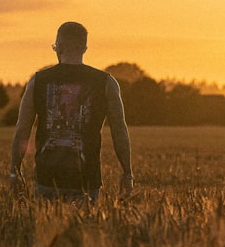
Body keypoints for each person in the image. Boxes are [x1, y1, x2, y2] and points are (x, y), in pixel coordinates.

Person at [10, 21, 133, 202]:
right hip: (86, 179)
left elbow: (22, 130)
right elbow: (119, 131)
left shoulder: (38, 81)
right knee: (85, 229)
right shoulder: (106, 82)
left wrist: (15, 171)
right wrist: (127, 173)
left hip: (46, 178)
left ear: (58, 47)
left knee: (46, 228)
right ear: (84, 48)